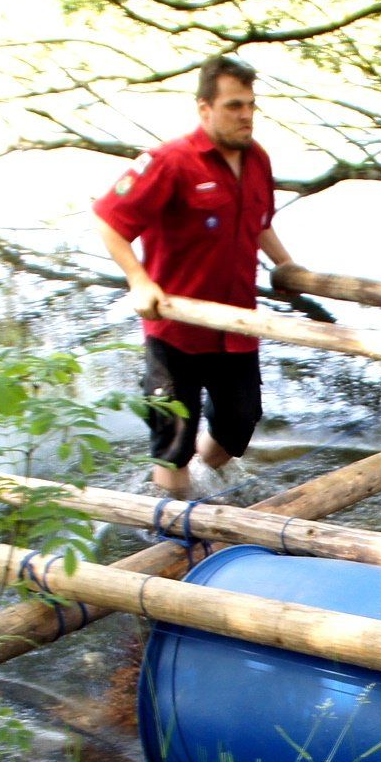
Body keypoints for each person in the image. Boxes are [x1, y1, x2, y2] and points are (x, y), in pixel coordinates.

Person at [94, 55, 298, 499]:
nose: (246, 115)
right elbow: (110, 220)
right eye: (233, 106)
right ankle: (175, 523)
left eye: (251, 105)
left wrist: (286, 265)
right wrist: (138, 280)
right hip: (176, 332)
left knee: (238, 426)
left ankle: (202, 481)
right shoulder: (170, 162)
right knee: (173, 445)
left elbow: (260, 222)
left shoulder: (257, 159)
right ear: (204, 108)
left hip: (236, 327)